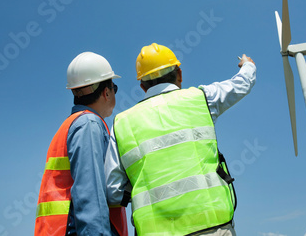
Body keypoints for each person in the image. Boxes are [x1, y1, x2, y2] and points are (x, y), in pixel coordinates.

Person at [105, 43, 256, 236]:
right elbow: (242, 84)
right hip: (213, 227)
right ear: (180, 75)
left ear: (142, 86)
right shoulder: (201, 98)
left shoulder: (121, 124)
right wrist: (247, 65)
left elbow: (113, 192)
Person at [35, 52, 127, 236]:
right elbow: (89, 194)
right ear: (106, 92)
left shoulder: (72, 125)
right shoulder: (89, 124)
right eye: (114, 88)